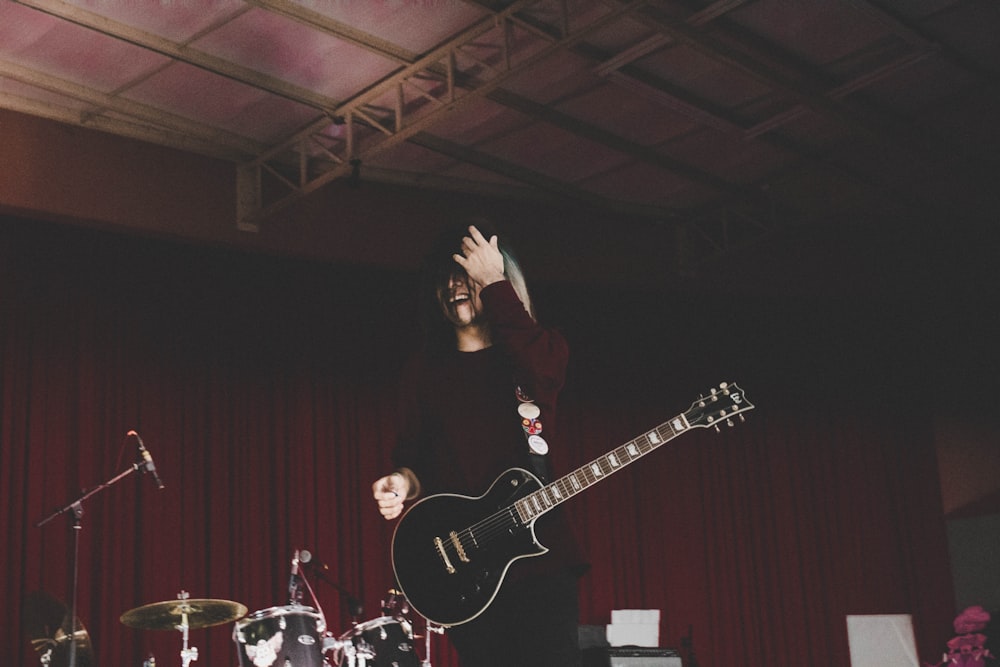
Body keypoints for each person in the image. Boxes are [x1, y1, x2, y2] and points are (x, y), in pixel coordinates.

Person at [372, 221, 587, 667]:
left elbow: (547, 372)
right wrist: (399, 482)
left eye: (465, 272)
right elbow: (414, 462)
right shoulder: (423, 370)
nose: (454, 285)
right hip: (467, 572)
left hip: (541, 561)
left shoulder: (532, 353)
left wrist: (494, 283)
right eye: (445, 278)